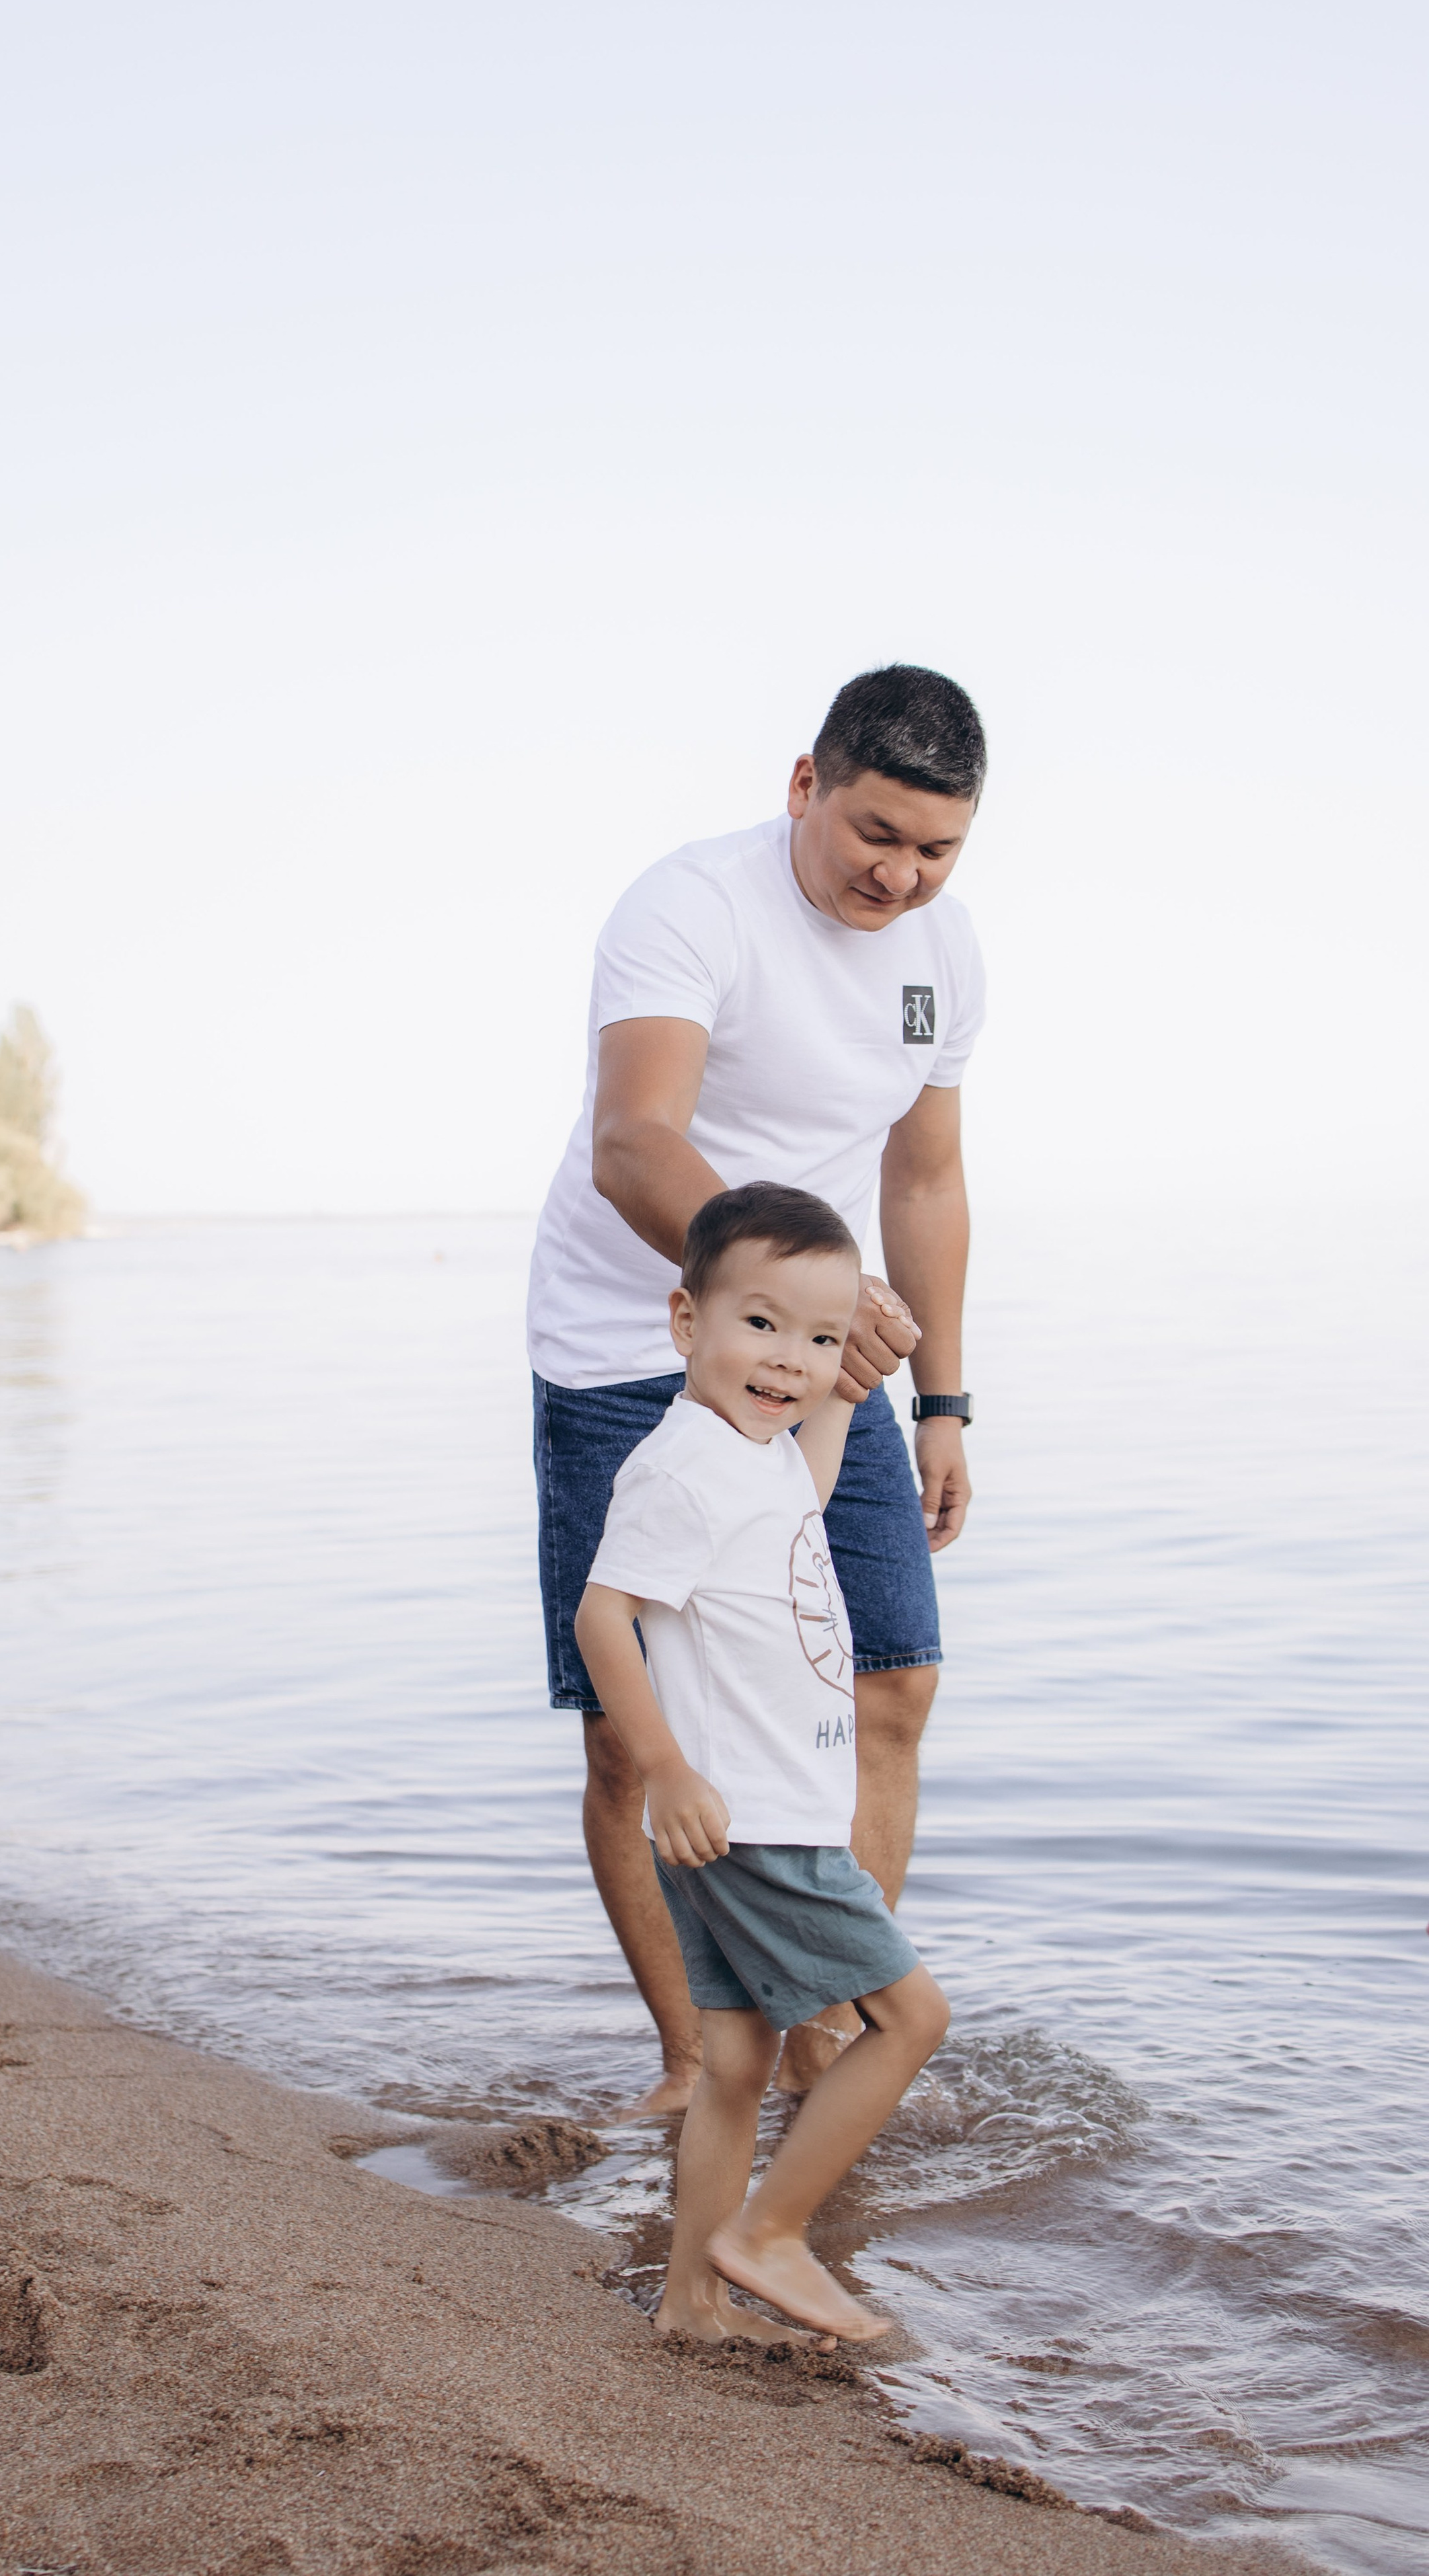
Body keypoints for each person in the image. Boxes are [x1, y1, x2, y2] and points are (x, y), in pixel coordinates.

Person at [529, 663, 984, 2112]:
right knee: (631, 1732)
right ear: (803, 786)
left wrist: (945, 1404)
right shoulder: (690, 908)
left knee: (888, 1680)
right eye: (874, 833)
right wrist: (795, 1301)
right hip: (626, 1346)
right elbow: (633, 1142)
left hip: (821, 1359)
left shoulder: (942, 955)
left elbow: (921, 1174)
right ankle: (693, 2058)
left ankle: (822, 2033)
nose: (899, 874)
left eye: (935, 849)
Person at [575, 1183, 950, 2343]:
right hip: (753, 1826)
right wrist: (668, 1768)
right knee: (912, 2019)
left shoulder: (760, 1454)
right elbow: (603, 1617)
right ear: (687, 1322)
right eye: (763, 1325)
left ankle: (692, 2300)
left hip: (755, 1820)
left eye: (821, 1338)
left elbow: (810, 1490)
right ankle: (769, 2232)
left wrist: (854, 1383)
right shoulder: (682, 1468)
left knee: (735, 2059)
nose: (791, 1361)